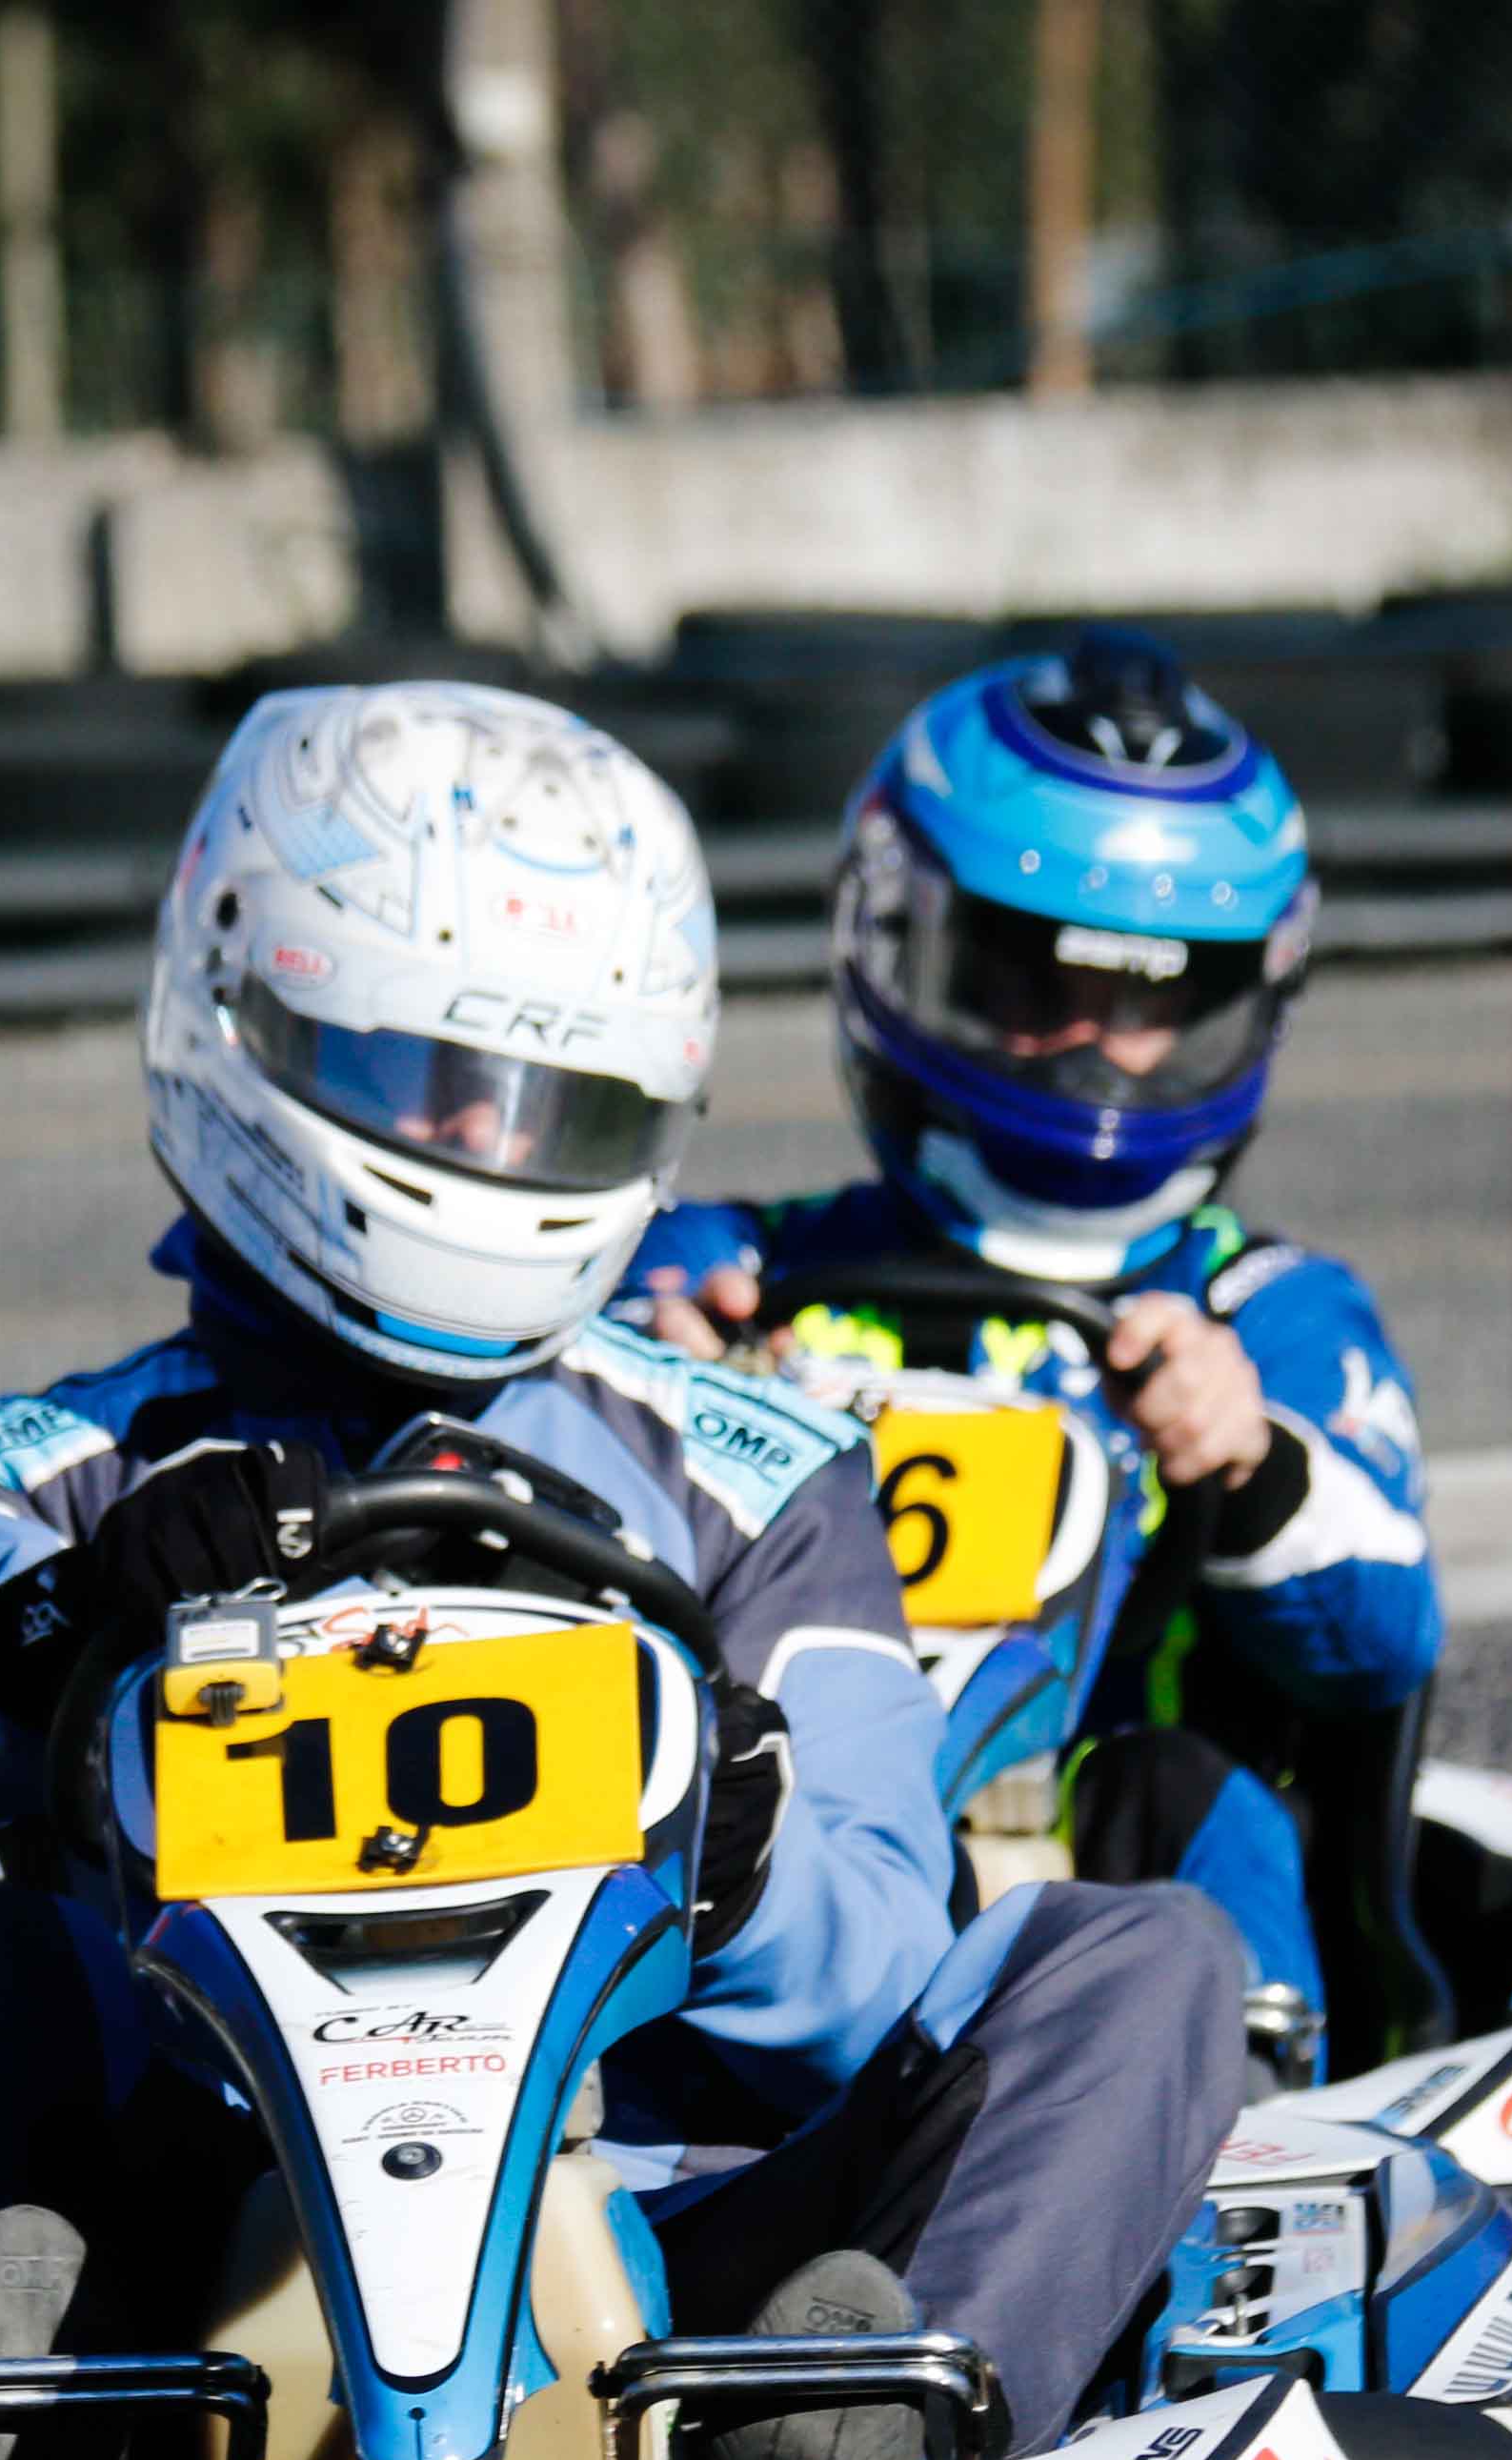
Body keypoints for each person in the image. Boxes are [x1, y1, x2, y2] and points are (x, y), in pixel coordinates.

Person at [0, 679, 1255, 2460]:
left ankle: (863, 2427)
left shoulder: (761, 1475)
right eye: (433, 1087)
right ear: (242, 1011)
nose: (491, 1151)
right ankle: (16, 2441)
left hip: (681, 2224)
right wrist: (79, 1614)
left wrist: (732, 1853)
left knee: (1144, 1954)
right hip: (192, 2210)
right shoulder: (51, 1464)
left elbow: (885, 1951)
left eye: (549, 1106)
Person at [623, 630, 1456, 2073]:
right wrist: (659, 1358)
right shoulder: (741, 1270)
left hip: (1108, 1853)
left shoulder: (1269, 1312)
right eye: (1036, 987)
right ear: (906, 945)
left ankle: (1234, 2133)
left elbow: (1386, 1637)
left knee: (1174, 1781)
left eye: (1148, 1004)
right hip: (801, 1827)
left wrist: (1244, 1456)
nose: (1090, 1051)